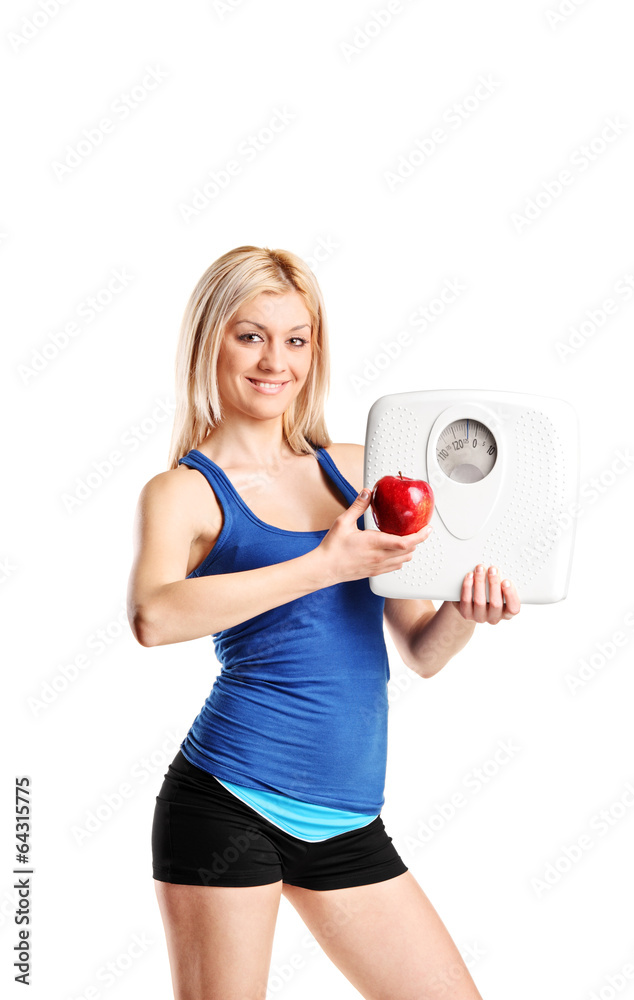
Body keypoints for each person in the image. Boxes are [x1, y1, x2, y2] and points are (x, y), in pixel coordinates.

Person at [126, 245, 520, 1000]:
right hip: (227, 802)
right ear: (210, 340)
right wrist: (326, 564)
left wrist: (467, 613)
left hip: (346, 820)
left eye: (296, 339)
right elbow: (153, 616)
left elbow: (420, 652)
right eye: (250, 335)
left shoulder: (362, 470)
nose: (276, 361)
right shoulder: (181, 493)